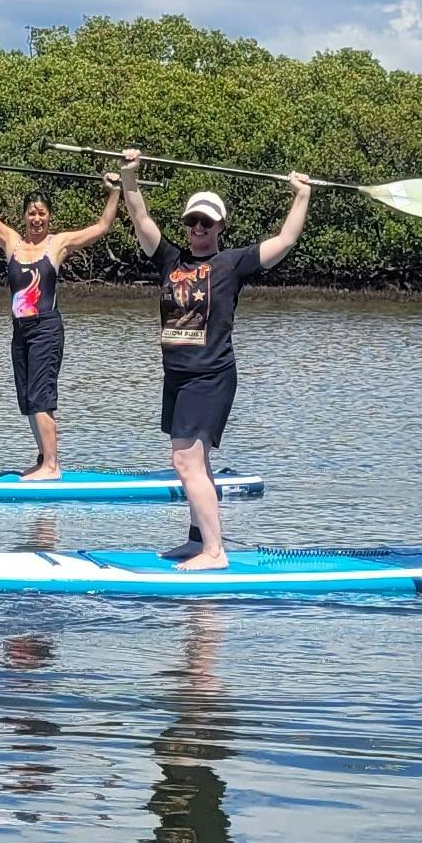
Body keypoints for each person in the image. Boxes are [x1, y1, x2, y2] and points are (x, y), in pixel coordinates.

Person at [112, 152, 310, 569]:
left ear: (220, 226)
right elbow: (140, 217)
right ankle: (196, 539)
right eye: (192, 222)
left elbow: (285, 242)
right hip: (177, 376)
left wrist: (301, 197)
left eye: (206, 222)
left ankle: (215, 552)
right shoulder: (170, 259)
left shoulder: (231, 263)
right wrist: (130, 176)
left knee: (183, 460)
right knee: (197, 461)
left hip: (211, 375)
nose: (197, 229)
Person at [0, 160, 121, 480]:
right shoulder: (12, 242)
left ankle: (53, 466)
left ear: (49, 217)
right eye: (31, 213)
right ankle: (43, 458)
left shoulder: (57, 244)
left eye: (42, 213)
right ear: (25, 216)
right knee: (27, 398)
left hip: (46, 328)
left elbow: (102, 226)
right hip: (20, 331)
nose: (36, 218)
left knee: (41, 396)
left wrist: (115, 190)